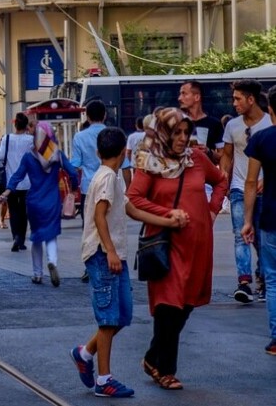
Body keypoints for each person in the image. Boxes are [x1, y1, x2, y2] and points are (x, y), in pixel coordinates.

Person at [71, 127, 185, 398]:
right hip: (102, 254)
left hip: (113, 254)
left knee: (121, 315)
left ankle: (84, 353)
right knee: (109, 318)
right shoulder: (108, 178)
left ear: (98, 152)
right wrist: (109, 251)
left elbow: (131, 209)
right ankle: (104, 380)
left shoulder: (111, 178)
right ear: (125, 153)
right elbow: (100, 216)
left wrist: (166, 220)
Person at [127, 108, 228, 390]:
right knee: (168, 306)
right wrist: (167, 213)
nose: (183, 138)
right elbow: (133, 198)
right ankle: (166, 370)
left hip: (198, 242)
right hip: (166, 243)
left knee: (186, 304)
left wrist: (212, 209)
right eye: (177, 133)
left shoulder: (196, 158)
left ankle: (151, 358)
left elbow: (220, 180)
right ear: (164, 133)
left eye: (186, 132)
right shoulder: (150, 162)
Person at [0, 122, 78, 285]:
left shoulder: (28, 157)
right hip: (52, 201)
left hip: (34, 201)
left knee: (36, 238)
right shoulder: (57, 155)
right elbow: (73, 172)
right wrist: (74, 188)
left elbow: (17, 176)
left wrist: (6, 192)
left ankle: (37, 274)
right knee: (51, 236)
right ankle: (52, 262)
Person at [221, 80, 270, 304]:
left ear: (251, 99)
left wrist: (267, 179)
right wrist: (224, 179)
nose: (234, 103)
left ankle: (263, 280)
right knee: (241, 235)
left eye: (238, 98)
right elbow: (227, 156)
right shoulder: (232, 126)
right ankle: (244, 283)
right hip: (240, 188)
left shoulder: (270, 122)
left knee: (262, 238)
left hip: (265, 189)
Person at [241, 84, 276, 356]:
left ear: (270, 108)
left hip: (270, 218)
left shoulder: (261, 139)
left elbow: (251, 182)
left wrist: (247, 220)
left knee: (273, 280)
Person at [0, 113, 33, 251]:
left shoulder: (6, 138)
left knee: (13, 210)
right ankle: (22, 239)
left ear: (15, 124)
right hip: (27, 181)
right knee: (23, 211)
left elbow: (0, 156)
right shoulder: (30, 140)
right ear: (26, 126)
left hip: (11, 182)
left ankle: (15, 237)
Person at [178, 81, 223, 162]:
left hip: (205, 172)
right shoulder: (178, 122)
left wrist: (208, 151)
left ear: (197, 97)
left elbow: (222, 156)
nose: (180, 98)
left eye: (184, 93)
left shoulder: (214, 124)